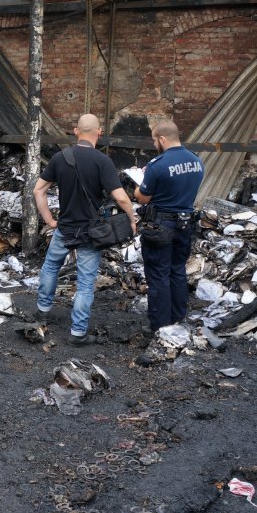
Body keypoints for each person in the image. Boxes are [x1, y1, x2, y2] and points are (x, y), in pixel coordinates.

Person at [33, 114, 137, 345]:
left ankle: (42, 311)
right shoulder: (103, 161)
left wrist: (50, 220)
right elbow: (120, 198)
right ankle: (78, 333)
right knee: (86, 282)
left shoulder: (60, 158)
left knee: (51, 267)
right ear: (99, 132)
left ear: (75, 130)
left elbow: (38, 190)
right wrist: (131, 219)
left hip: (65, 229)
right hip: (92, 232)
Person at [134, 120, 204, 334]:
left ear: (162, 139)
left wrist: (141, 181)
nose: (155, 143)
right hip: (186, 224)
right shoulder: (196, 161)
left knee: (158, 275)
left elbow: (143, 197)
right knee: (177, 271)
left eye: (155, 140)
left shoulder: (158, 165)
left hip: (160, 226)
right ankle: (177, 318)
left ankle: (160, 326)